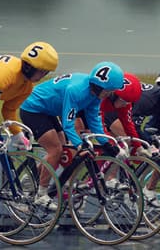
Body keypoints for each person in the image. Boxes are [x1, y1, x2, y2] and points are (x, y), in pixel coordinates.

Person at [19, 61, 127, 208]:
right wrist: (80, 145)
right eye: (108, 91)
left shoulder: (95, 95)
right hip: (34, 109)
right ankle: (41, 194)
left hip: (49, 110)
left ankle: (31, 177)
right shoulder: (76, 90)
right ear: (99, 86)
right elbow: (68, 125)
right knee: (55, 150)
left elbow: (95, 122)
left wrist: (107, 144)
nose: (110, 94)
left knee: (62, 149)